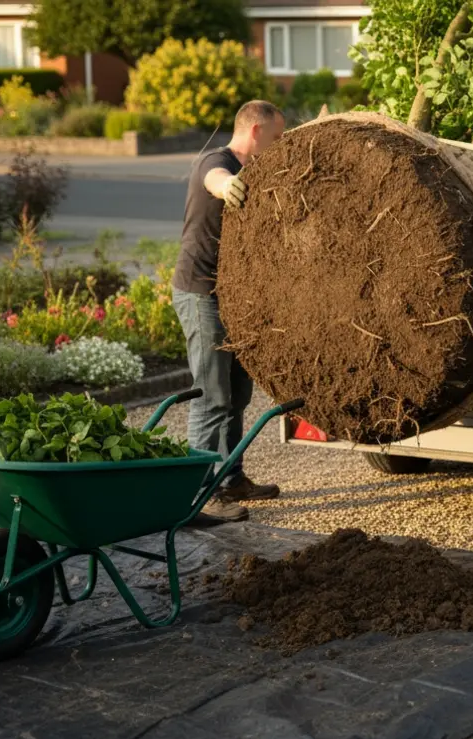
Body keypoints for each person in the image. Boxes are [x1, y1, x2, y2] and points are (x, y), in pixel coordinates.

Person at [173, 100, 287, 525]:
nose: (277, 147)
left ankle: (231, 476)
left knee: (237, 394)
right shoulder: (218, 161)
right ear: (255, 132)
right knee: (211, 397)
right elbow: (213, 178)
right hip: (200, 294)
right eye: (275, 138)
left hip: (231, 298)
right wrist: (226, 187)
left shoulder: (257, 168)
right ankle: (198, 497)